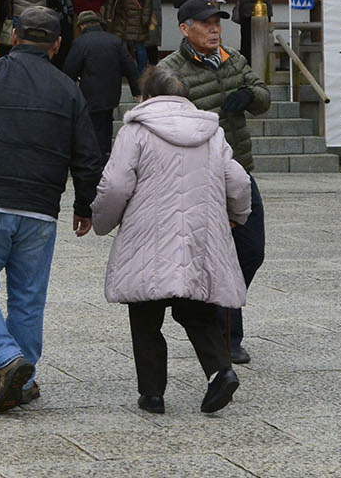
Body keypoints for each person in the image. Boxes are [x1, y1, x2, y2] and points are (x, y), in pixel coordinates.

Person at [0, 6, 103, 413]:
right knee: (28, 298)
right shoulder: (68, 88)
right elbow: (87, 155)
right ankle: (21, 378)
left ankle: (6, 359)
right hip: (41, 207)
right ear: (57, 44)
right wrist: (85, 204)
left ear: (14, 35)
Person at [89, 65, 249, 415]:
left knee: (145, 315)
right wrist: (238, 215)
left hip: (148, 233)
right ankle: (220, 372)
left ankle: (153, 393)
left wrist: (102, 221)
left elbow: (115, 184)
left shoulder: (136, 131)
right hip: (198, 233)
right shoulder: (212, 132)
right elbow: (237, 181)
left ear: (146, 96)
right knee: (197, 311)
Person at [156, 0, 270, 364]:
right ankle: (225, 336)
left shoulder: (233, 59)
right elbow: (157, 117)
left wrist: (249, 94)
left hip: (238, 171)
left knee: (250, 250)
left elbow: (264, 96)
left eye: (217, 22)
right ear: (185, 29)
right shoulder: (169, 70)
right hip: (196, 176)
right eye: (205, 23)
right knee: (211, 256)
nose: (214, 29)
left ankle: (221, 322)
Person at [64, 9, 140, 157]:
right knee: (106, 126)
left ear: (82, 26)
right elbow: (130, 67)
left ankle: (96, 160)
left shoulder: (80, 43)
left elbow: (70, 70)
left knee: (93, 129)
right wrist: (136, 90)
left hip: (90, 94)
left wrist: (66, 92)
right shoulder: (115, 41)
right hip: (112, 94)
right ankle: (106, 155)